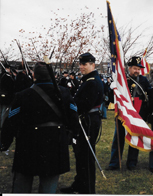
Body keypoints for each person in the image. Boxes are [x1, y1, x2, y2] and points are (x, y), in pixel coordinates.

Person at [0, 62, 80, 193]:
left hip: (28, 145)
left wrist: (4, 143)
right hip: (55, 143)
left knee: (22, 184)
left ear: (33, 75)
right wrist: (72, 136)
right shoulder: (64, 93)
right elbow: (74, 118)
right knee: (49, 185)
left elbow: (11, 123)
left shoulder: (22, 95)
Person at [60, 52, 104, 194]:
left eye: (84, 64)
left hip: (88, 121)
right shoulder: (88, 79)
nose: (81, 67)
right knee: (81, 155)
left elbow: (83, 105)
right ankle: (79, 185)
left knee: (86, 156)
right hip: (87, 120)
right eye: (80, 64)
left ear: (93, 64)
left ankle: (88, 189)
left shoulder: (92, 81)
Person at [107, 56, 151, 171]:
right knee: (118, 140)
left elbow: (149, 97)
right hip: (123, 116)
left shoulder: (144, 81)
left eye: (139, 69)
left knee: (135, 141)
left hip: (137, 116)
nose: (137, 71)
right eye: (135, 68)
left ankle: (132, 163)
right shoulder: (122, 79)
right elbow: (113, 99)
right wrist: (111, 88)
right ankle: (114, 163)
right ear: (129, 68)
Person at [0, 64, 15, 128]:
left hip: (1, 97)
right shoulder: (8, 77)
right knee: (4, 113)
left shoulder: (1, 76)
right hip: (6, 98)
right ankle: (2, 125)